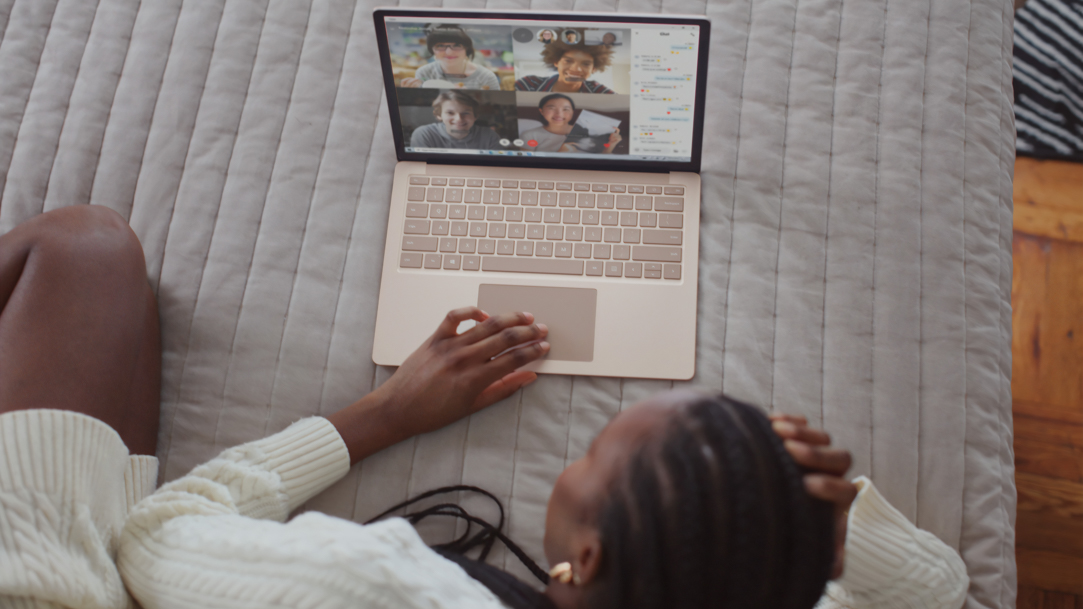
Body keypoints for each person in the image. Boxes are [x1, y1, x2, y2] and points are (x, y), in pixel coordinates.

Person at [0, 207, 970, 608]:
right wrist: (828, 548)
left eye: (594, 451)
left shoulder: (381, 587)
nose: (581, 452)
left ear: (583, 559)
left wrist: (381, 416)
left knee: (84, 247)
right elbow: (947, 596)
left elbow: (155, 541)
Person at [400, 25, 500, 91]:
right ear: (432, 50)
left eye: (456, 45)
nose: (449, 52)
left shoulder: (486, 77)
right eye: (440, 46)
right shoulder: (424, 73)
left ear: (467, 49)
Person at [520, 94, 622, 154]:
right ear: (541, 111)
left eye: (566, 109)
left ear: (572, 112)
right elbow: (526, 166)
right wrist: (560, 154)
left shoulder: (586, 130)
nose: (559, 114)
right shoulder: (530, 135)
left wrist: (611, 145)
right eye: (551, 108)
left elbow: (600, 161)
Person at [410, 90, 503, 150]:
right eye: (450, 113)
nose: (459, 119)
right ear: (439, 115)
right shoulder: (423, 134)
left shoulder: (490, 136)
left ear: (475, 116)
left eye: (466, 113)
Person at [515, 41, 616, 94]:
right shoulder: (529, 84)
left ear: (594, 68)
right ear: (556, 61)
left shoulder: (598, 91)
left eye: (585, 64)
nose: (576, 69)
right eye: (568, 61)